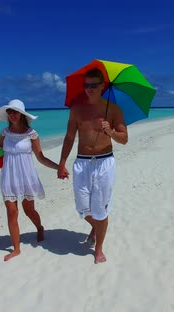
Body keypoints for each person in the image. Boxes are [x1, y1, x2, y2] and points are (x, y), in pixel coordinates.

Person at [57, 68, 128, 264]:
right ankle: (97, 227)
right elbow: (70, 137)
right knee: (82, 208)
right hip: (82, 162)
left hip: (105, 162)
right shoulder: (76, 109)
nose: (88, 89)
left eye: (93, 85)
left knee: (100, 209)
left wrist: (111, 132)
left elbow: (125, 139)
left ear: (102, 86)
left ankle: (98, 249)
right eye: (86, 85)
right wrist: (61, 163)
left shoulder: (113, 110)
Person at [0, 99, 59, 262]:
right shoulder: (5, 133)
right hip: (8, 175)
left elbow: (40, 157)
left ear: (22, 114)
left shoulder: (31, 134)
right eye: (9, 112)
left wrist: (58, 167)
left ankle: (39, 227)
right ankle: (16, 248)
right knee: (12, 212)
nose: (11, 115)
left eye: (15, 112)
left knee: (28, 210)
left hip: (26, 175)